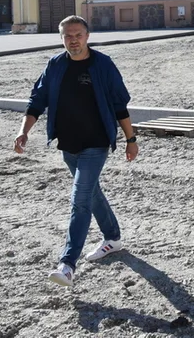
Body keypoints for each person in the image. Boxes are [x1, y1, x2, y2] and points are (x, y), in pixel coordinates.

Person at [13, 15, 138, 287]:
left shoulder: (103, 64)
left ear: (87, 36)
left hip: (96, 143)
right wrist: (24, 130)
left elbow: (119, 105)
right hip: (67, 145)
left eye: (78, 34)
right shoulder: (56, 65)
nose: (73, 40)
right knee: (91, 193)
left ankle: (67, 264)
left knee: (80, 200)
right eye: (68, 36)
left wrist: (131, 138)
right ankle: (113, 237)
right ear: (62, 39)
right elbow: (37, 101)